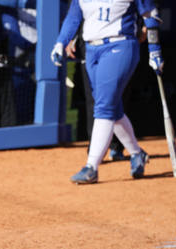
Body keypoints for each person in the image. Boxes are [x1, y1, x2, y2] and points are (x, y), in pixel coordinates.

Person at [51, 0, 164, 184]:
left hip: (120, 45)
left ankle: (91, 167)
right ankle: (137, 153)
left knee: (103, 107)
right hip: (91, 50)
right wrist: (60, 43)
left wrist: (154, 50)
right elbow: (73, 17)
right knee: (114, 109)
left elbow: (150, 16)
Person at [66, 19, 149, 161]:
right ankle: (96, 153)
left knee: (118, 100)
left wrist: (145, 27)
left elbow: (147, 9)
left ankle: (117, 148)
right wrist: (68, 38)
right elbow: (75, 11)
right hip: (90, 45)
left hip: (121, 45)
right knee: (95, 100)